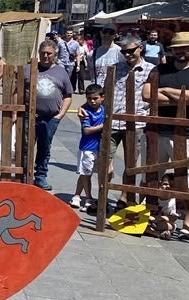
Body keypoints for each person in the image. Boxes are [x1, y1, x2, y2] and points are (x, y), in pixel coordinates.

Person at [142, 32, 189, 240]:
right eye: (176, 48)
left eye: (185, 48)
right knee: (154, 176)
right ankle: (164, 216)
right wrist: (181, 95)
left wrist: (164, 91)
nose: (180, 52)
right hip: (159, 131)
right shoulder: (160, 69)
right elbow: (147, 95)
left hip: (188, 133)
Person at [79, 36, 154, 209]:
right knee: (104, 161)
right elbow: (103, 94)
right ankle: (103, 196)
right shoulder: (115, 69)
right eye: (124, 51)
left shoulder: (151, 70)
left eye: (130, 51)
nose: (127, 54)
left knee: (131, 164)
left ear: (140, 48)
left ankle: (124, 197)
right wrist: (85, 107)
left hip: (136, 124)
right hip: (112, 123)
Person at [23, 40, 73, 191]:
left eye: (49, 53)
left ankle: (40, 176)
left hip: (50, 117)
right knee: (25, 147)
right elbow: (16, 91)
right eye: (43, 53)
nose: (45, 56)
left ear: (55, 54)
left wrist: (61, 114)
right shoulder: (28, 69)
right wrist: (14, 113)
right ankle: (25, 175)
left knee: (45, 148)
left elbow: (68, 95)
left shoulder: (61, 71)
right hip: (29, 115)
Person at [71, 84, 105, 209]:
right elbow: (87, 130)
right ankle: (89, 197)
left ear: (102, 97)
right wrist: (103, 126)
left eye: (95, 98)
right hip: (87, 147)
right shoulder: (86, 111)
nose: (92, 101)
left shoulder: (104, 109)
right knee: (86, 174)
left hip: (99, 147)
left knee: (85, 173)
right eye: (89, 98)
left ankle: (76, 195)